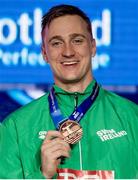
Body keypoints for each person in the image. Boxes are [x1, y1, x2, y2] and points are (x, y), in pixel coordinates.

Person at [0, 4, 138, 179]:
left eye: (77, 40)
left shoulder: (133, 118)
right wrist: (42, 174)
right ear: (44, 53)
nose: (68, 52)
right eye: (57, 43)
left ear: (93, 46)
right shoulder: (15, 128)